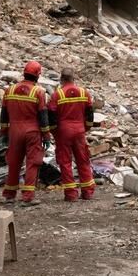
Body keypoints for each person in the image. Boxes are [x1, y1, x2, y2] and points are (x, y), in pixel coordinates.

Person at [0, 60, 51, 205]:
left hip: (14, 131)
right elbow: (43, 117)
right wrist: (46, 136)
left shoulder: (9, 90)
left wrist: (4, 133)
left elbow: (4, 115)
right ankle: (27, 196)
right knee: (32, 163)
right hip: (32, 132)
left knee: (14, 162)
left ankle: (9, 194)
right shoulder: (38, 92)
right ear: (38, 76)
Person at [49, 67, 96, 202]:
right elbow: (90, 114)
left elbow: (51, 116)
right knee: (83, 160)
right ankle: (87, 192)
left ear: (62, 79)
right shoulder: (84, 93)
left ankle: (71, 194)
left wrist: (55, 133)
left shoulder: (57, 95)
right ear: (73, 78)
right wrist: (85, 128)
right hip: (79, 131)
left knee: (65, 162)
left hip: (64, 132)